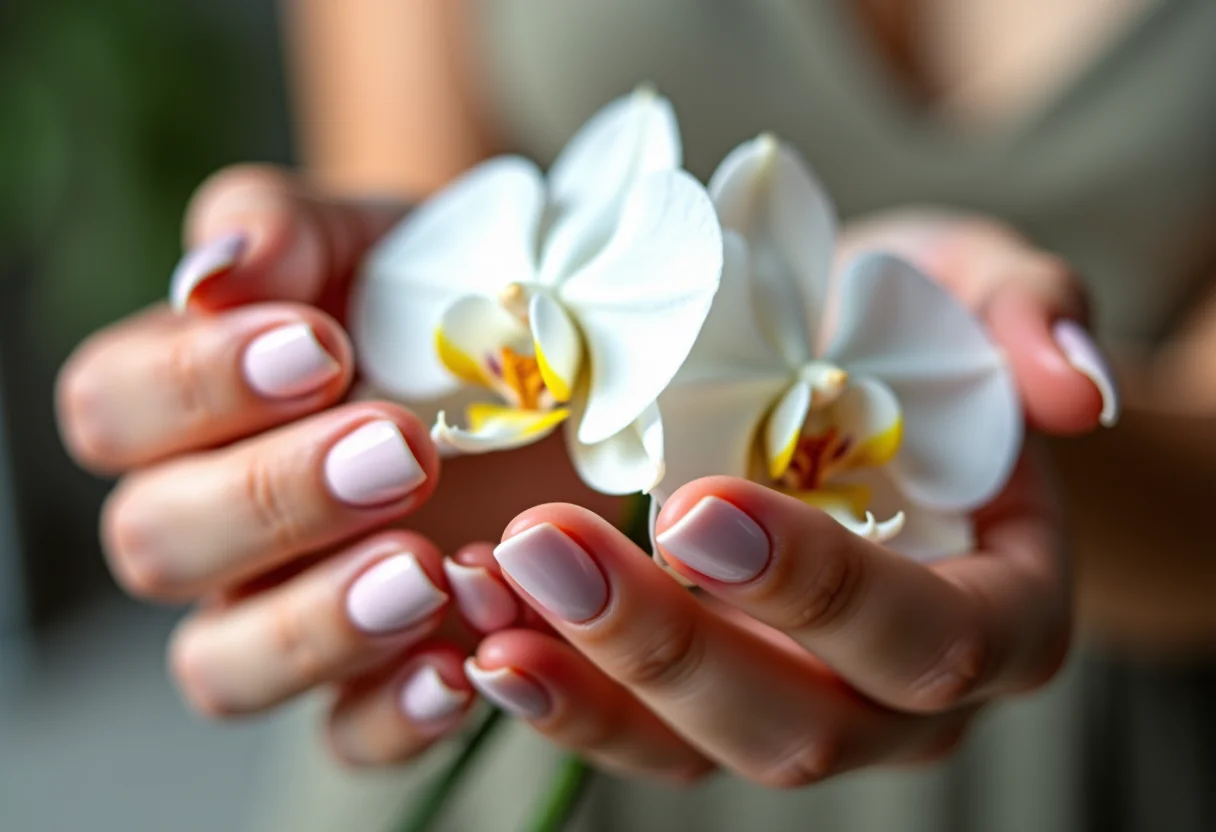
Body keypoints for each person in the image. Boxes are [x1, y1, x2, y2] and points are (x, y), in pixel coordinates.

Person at [55, 1, 1216, 830]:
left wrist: (1012, 422)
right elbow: (423, 275)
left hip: (1102, 751)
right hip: (540, 667)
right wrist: (318, 459)